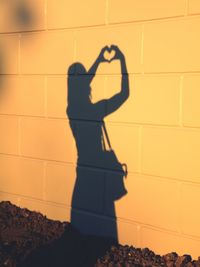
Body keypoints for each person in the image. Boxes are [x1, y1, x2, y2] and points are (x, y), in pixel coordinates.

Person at [67, 45, 129, 241]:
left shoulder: (72, 111)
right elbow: (123, 94)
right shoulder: (95, 111)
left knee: (82, 235)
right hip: (97, 172)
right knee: (101, 235)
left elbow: (82, 83)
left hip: (83, 171)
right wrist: (121, 60)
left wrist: (99, 60)